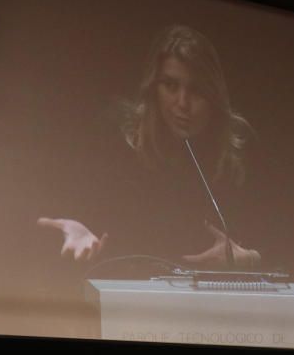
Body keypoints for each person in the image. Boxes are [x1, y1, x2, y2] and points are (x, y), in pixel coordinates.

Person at [37, 24, 261, 271]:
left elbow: (287, 236)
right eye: (171, 86)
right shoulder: (116, 136)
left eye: (196, 90)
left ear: (214, 95)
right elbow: (70, 210)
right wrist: (75, 227)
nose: (182, 103)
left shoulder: (239, 146)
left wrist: (251, 257)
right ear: (153, 87)